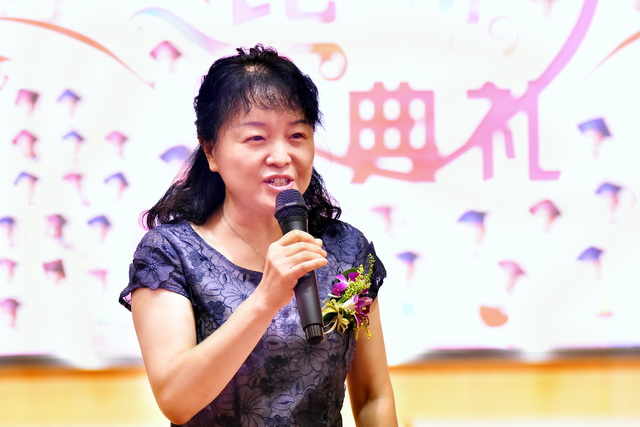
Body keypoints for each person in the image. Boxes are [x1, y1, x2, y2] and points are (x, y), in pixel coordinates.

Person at [119, 44, 397, 427]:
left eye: (297, 135)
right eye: (256, 138)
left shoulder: (346, 249)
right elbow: (176, 400)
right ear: (211, 151)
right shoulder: (169, 254)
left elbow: (372, 395)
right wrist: (266, 298)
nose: (282, 156)